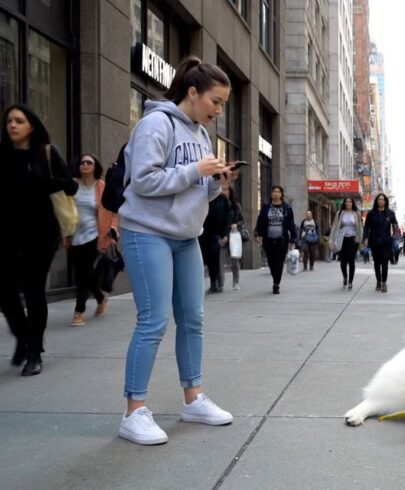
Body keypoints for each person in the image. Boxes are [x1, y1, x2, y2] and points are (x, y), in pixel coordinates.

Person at [116, 56, 238, 445]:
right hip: (147, 232)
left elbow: (197, 188)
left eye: (222, 104)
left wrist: (218, 182)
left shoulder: (201, 134)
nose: (219, 111)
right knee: (153, 320)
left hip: (186, 236)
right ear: (192, 92)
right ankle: (134, 411)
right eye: (215, 102)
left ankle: (193, 398)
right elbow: (144, 181)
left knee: (193, 318)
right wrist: (194, 171)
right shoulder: (156, 124)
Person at [0, 104, 78, 376]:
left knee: (34, 293)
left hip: (41, 235)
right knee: (6, 295)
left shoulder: (45, 152)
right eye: (9, 120)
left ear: (31, 125)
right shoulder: (3, 155)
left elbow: (70, 185)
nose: (12, 125)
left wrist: (43, 183)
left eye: (19, 121)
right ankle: (22, 336)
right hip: (7, 236)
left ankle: (34, 352)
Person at [67, 153, 118, 327]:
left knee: (83, 275)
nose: (85, 165)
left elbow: (112, 210)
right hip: (75, 235)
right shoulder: (73, 185)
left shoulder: (101, 186)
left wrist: (113, 229)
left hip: (95, 235)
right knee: (83, 274)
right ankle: (100, 297)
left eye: (89, 162)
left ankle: (78, 312)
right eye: (82, 162)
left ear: (95, 166)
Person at [254, 185, 297, 294]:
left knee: (279, 261)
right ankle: (275, 278)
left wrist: (293, 239)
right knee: (271, 261)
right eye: (274, 191)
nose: (276, 193)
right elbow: (260, 221)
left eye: (278, 192)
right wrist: (258, 233)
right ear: (271, 194)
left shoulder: (287, 208)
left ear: (281, 194)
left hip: (282, 240)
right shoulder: (266, 207)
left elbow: (291, 224)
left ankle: (276, 283)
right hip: (268, 239)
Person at [200, 179, 232, 293]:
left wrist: (225, 234)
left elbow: (227, 219)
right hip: (203, 233)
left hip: (217, 234)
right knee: (207, 258)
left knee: (215, 258)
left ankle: (218, 282)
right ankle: (213, 282)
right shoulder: (205, 197)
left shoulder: (223, 200)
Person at [363, 193, 398, 293]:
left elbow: (395, 226)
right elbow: (366, 227)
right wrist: (365, 238)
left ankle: (384, 283)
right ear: (376, 201)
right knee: (377, 263)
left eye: (383, 200)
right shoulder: (371, 213)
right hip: (374, 241)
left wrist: (393, 236)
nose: (381, 201)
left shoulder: (390, 213)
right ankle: (378, 280)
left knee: (385, 263)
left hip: (386, 242)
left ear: (385, 201)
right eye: (379, 199)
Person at [329, 197, 363, 290]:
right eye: (347, 202)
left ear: (352, 203)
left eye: (350, 202)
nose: (348, 203)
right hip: (342, 240)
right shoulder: (339, 213)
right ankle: (345, 277)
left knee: (351, 260)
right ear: (344, 203)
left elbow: (360, 227)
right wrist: (332, 238)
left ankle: (350, 282)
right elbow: (335, 226)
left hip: (353, 240)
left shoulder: (356, 214)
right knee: (343, 261)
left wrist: (360, 240)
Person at [225, 186, 244, 290]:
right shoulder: (217, 204)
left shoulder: (236, 206)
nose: (225, 193)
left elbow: (242, 220)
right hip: (222, 234)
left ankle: (236, 282)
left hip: (233, 235)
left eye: (227, 191)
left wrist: (236, 224)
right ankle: (219, 283)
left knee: (234, 260)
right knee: (219, 259)